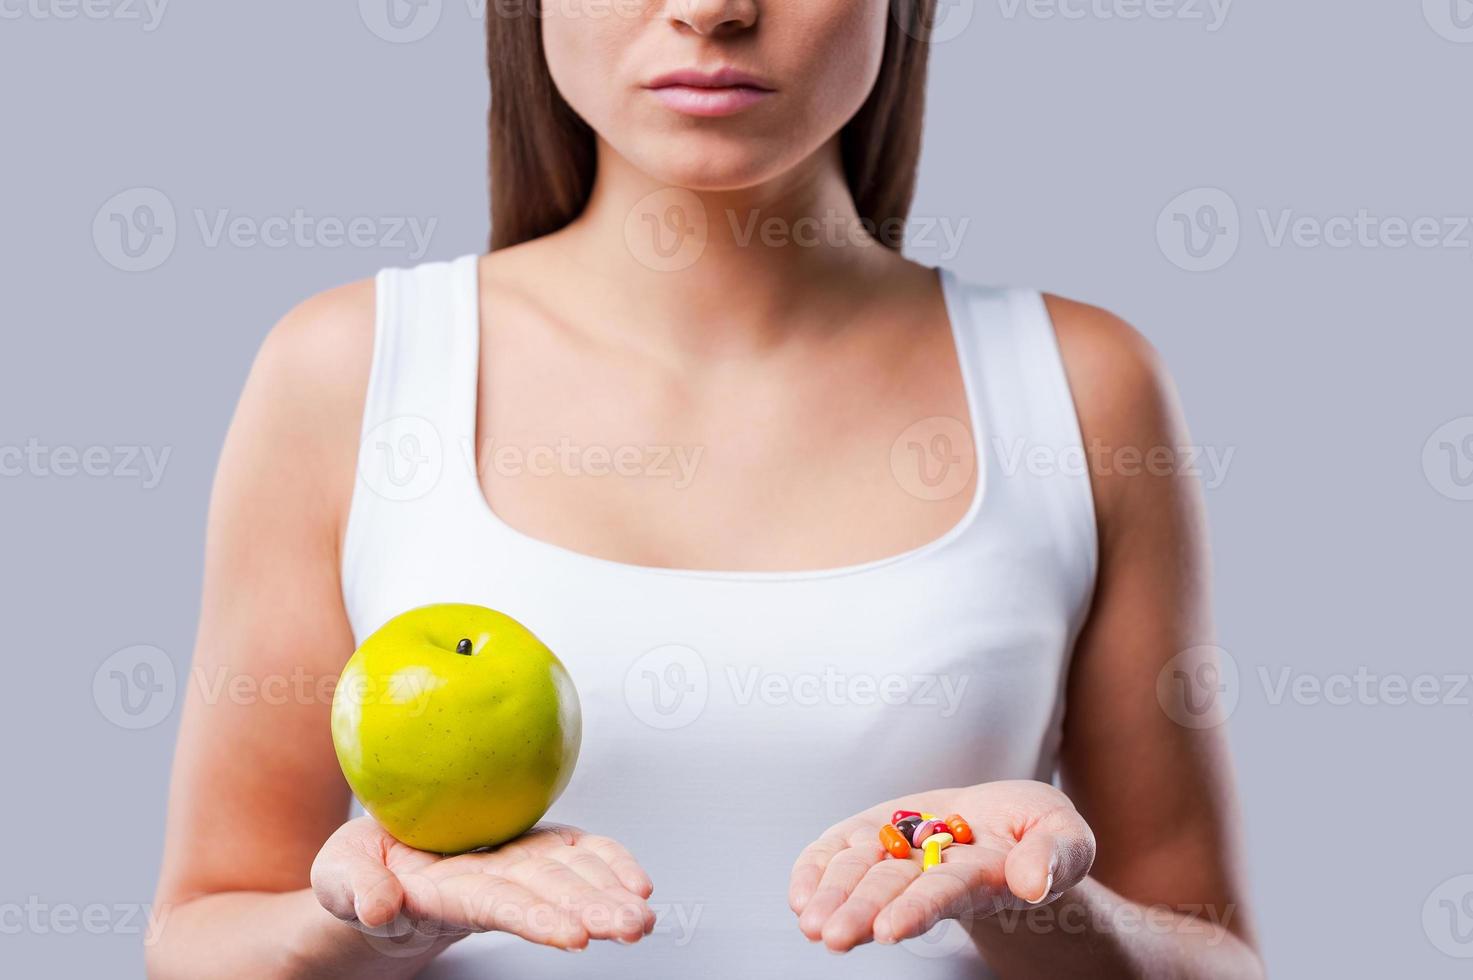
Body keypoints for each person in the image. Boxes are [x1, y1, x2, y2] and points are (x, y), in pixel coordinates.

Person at [148, 1, 1262, 976]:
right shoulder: (347, 372)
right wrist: (378, 928)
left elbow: (1215, 953)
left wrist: (1041, 908)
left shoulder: (1081, 387)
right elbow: (198, 935)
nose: (712, 8)